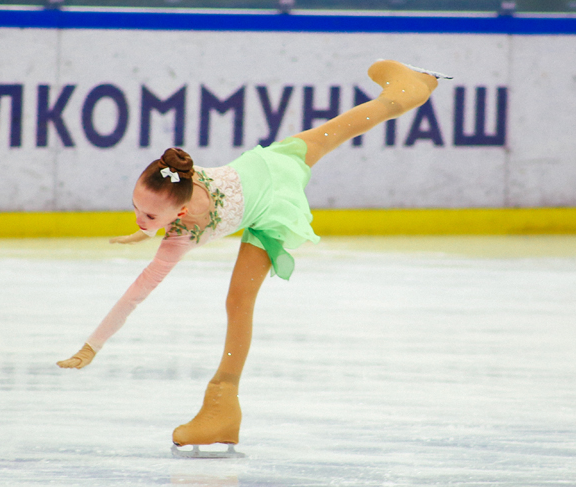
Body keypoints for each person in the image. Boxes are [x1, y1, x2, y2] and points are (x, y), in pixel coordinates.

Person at [57, 59, 444, 448]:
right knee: (344, 127)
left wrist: (92, 346)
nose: (140, 219)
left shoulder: (179, 238)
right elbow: (162, 210)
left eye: (150, 217)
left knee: (238, 302)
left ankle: (222, 406)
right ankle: (413, 88)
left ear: (180, 213)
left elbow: (135, 293)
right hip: (274, 161)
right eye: (136, 209)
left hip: (274, 205)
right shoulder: (181, 178)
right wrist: (146, 229)